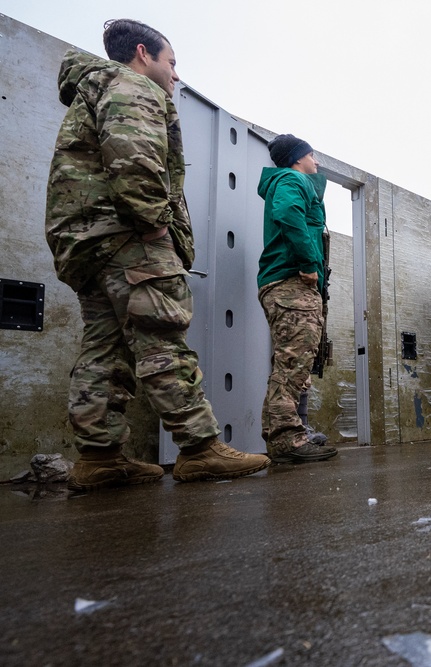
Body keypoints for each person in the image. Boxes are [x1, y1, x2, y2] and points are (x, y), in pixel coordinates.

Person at [46, 19, 271, 490]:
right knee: (161, 336)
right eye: (172, 63)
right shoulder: (131, 85)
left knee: (104, 349)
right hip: (127, 234)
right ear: (143, 53)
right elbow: (133, 158)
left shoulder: (95, 87)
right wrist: (154, 223)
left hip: (87, 241)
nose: (175, 75)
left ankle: (99, 457)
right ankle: (200, 448)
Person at [257, 134, 339, 463]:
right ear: (297, 158)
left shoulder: (296, 180)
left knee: (300, 362)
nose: (316, 162)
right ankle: (285, 438)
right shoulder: (292, 178)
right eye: (311, 156)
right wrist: (308, 264)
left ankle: (296, 430)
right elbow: (288, 213)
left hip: (295, 284)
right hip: (291, 281)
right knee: (292, 363)